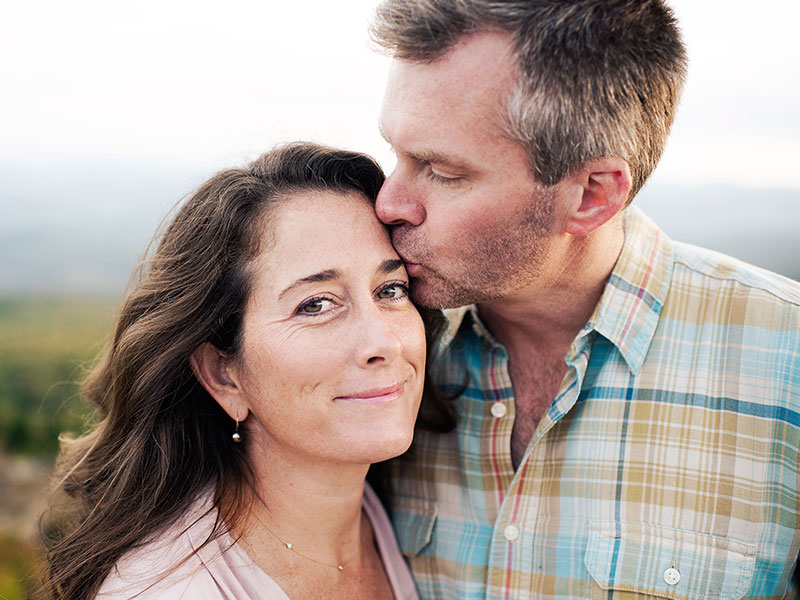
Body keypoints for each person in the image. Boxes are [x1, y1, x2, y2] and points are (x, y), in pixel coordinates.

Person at [369, 1, 800, 598]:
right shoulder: (375, 360)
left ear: (592, 196)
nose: (390, 204)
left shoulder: (788, 364)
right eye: (395, 153)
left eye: (441, 170)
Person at [39, 142, 428, 599]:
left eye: (390, 289)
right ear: (224, 375)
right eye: (315, 304)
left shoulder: (389, 516)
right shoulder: (170, 590)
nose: (384, 341)